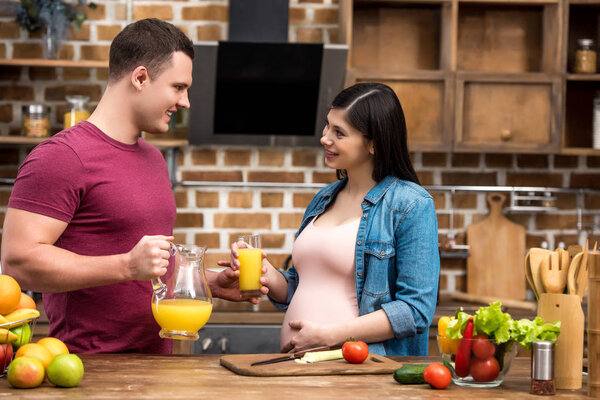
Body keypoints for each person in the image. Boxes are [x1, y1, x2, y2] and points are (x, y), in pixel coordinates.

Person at [1, 18, 265, 354]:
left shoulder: (154, 159)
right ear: (140, 77)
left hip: (158, 365)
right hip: (89, 368)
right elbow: (17, 263)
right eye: (178, 87)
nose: (185, 102)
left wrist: (212, 282)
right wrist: (126, 265)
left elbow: (149, 271)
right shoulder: (61, 156)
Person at [225, 83, 439, 356]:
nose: (325, 138)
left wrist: (330, 335)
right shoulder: (324, 199)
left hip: (358, 370)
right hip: (296, 367)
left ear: (374, 143)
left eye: (340, 132)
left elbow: (414, 311)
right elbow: (300, 287)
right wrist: (266, 273)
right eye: (327, 126)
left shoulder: (410, 205)